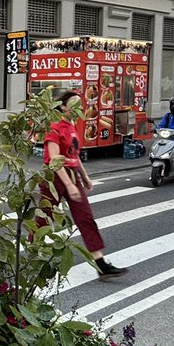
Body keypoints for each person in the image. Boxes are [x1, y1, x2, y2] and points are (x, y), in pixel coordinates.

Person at [35, 89, 125, 278]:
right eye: (74, 104)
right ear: (63, 107)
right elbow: (54, 160)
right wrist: (69, 185)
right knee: (43, 219)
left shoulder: (72, 125)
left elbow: (74, 155)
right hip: (53, 177)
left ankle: (101, 264)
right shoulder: (55, 126)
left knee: (85, 218)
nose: (79, 108)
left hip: (72, 174)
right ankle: (32, 259)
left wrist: (84, 177)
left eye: (80, 104)